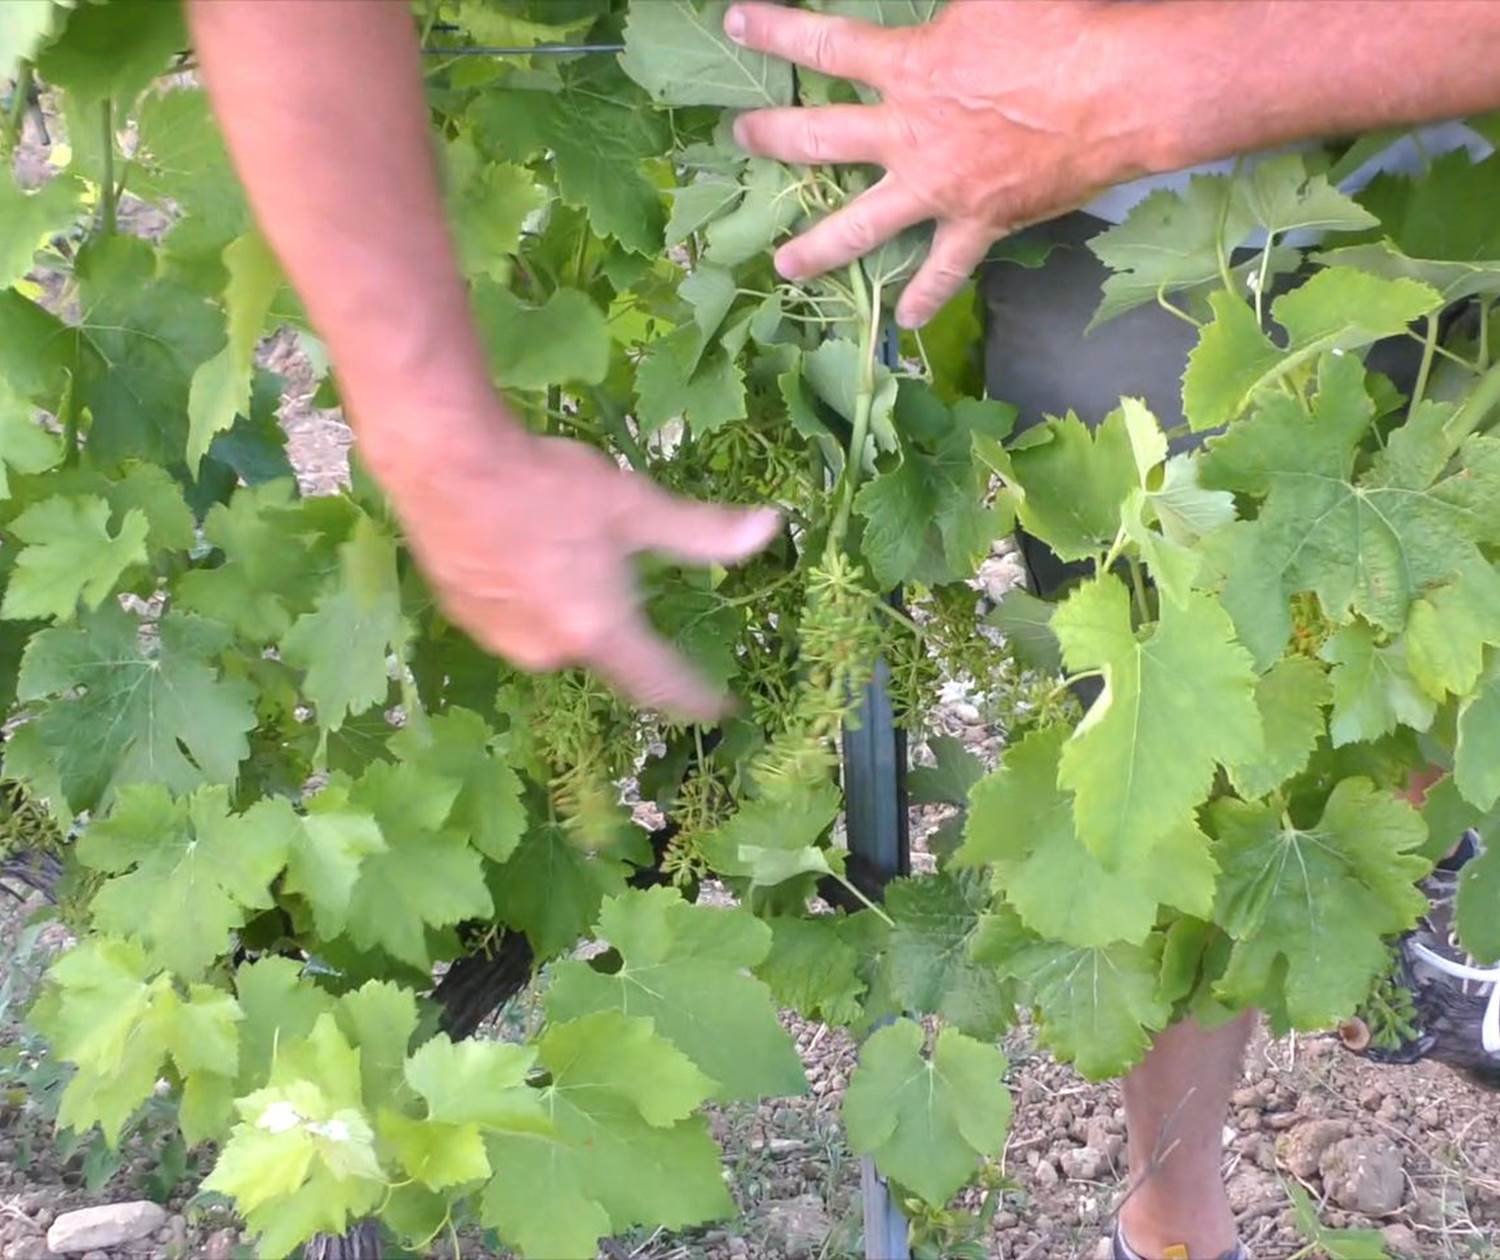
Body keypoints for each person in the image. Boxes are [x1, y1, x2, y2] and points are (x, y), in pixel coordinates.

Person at [186, 3, 1500, 1258]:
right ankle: (1173, 1222)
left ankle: (1426, 867)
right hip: (1112, 209)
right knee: (1193, 746)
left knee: (1391, 668)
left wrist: (1150, 85)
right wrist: (432, 432)